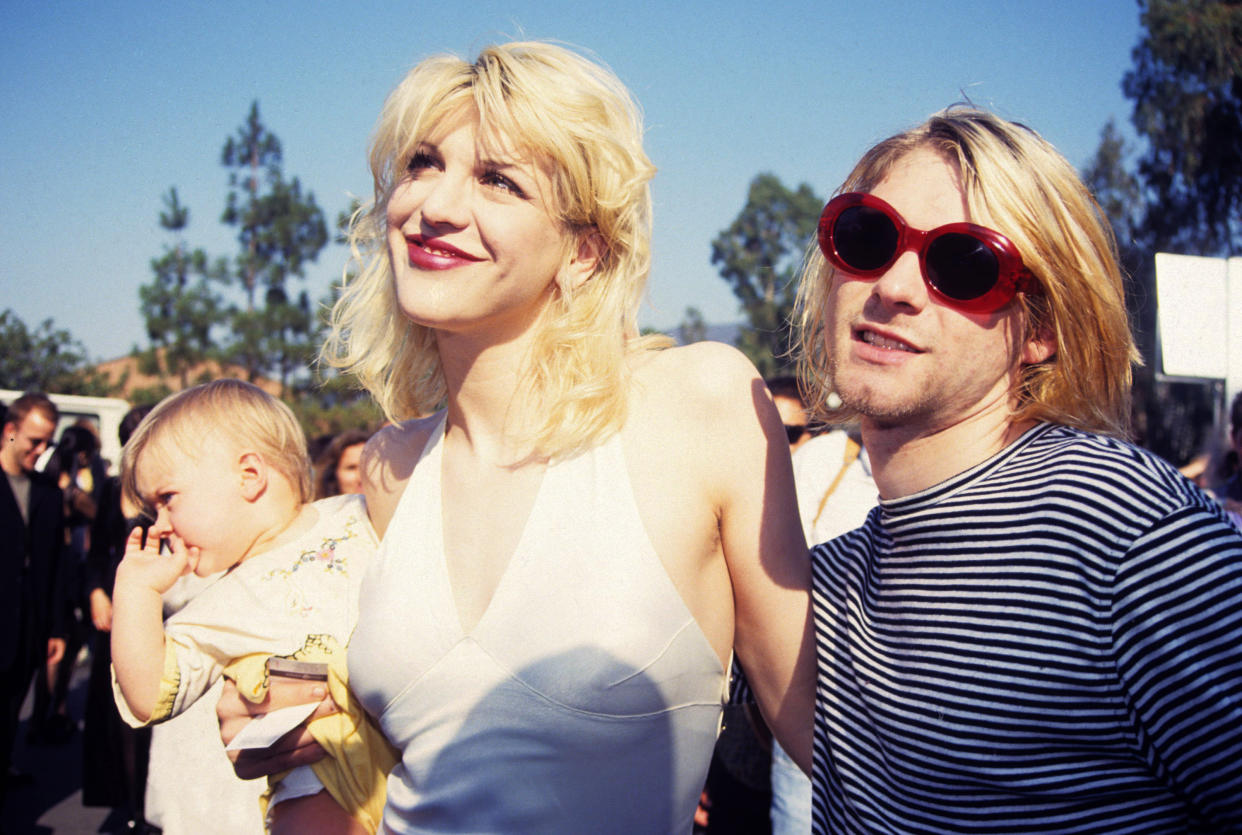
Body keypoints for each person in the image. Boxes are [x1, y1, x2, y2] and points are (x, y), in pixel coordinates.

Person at [218, 40, 814, 834]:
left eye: (498, 179)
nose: (434, 206)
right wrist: (297, 707)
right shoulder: (393, 465)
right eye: (423, 163)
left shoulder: (698, 403)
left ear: (583, 248)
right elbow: (443, 729)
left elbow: (824, 733)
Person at [792, 106, 1242, 831]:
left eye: (964, 263)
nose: (896, 287)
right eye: (868, 236)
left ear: (1040, 330)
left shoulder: (1123, 531)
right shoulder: (834, 579)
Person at [110, 379, 395, 834]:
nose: (159, 525)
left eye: (166, 500)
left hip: (420, 765)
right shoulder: (216, 606)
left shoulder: (360, 514)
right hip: (321, 786)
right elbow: (148, 697)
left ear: (249, 476)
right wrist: (136, 593)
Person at [0, 392, 66, 801]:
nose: (40, 451)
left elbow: (56, 565)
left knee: (10, 713)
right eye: (34, 441)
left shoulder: (48, 492)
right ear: (10, 432)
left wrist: (56, 626)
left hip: (28, 625)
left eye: (47, 443)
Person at [314, 428, 372, 498]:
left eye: (368, 467)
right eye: (351, 468)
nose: (361, 478)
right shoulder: (317, 508)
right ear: (332, 474)